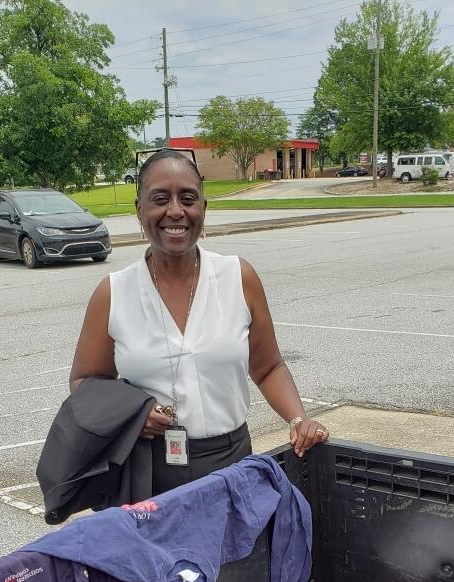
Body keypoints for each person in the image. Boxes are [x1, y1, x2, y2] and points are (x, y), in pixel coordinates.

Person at [69, 149, 328, 496]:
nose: (175, 210)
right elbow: (85, 380)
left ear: (203, 209)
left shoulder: (238, 277)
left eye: (188, 198)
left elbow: (268, 368)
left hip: (232, 464)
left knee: (236, 551)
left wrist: (299, 419)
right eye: (160, 199)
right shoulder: (113, 293)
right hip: (148, 473)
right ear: (139, 209)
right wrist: (130, 414)